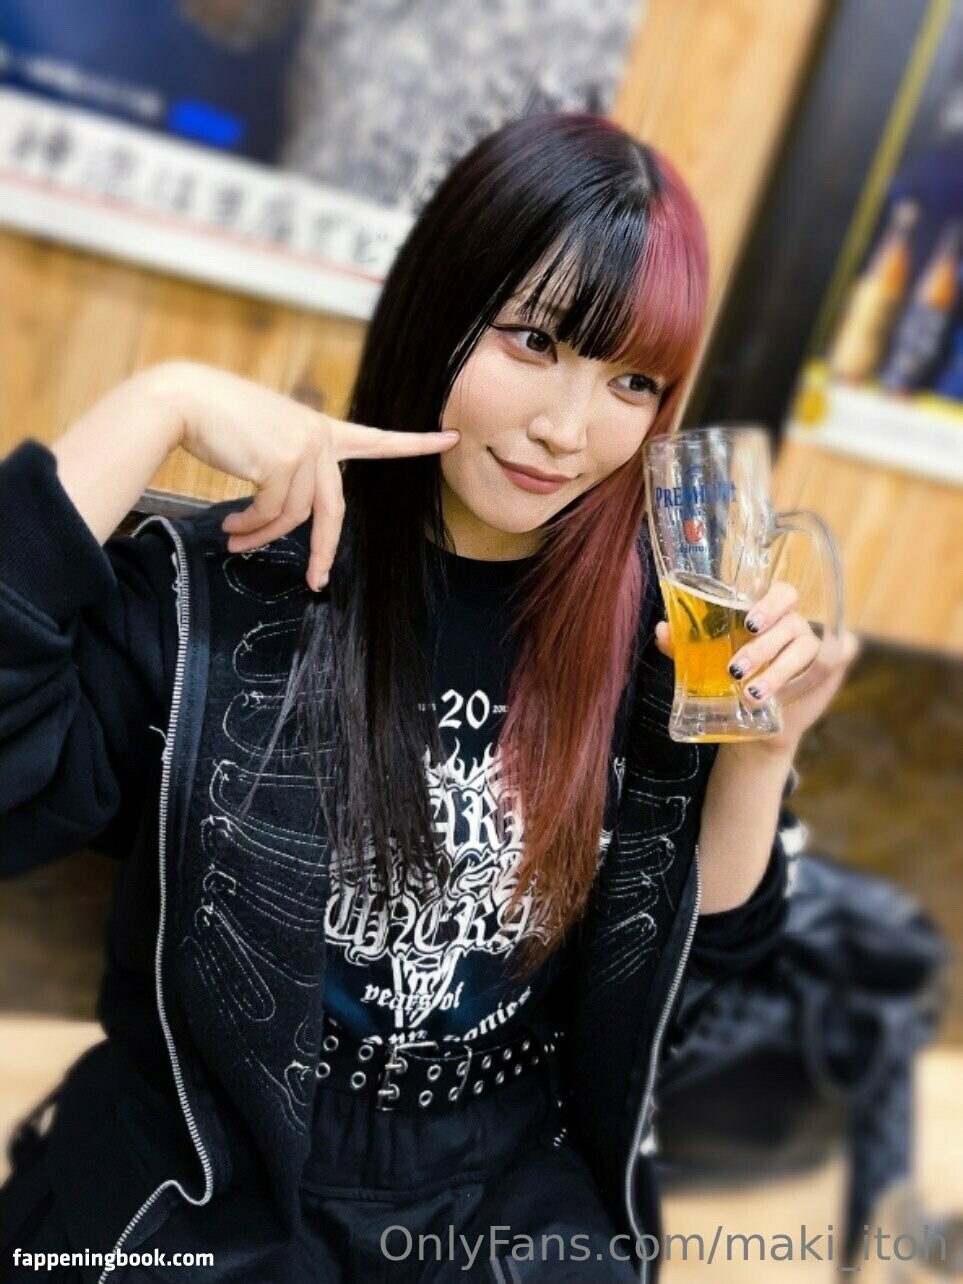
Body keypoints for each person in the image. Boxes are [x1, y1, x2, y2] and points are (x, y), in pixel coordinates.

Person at [0, 112, 860, 1283]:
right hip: (214, 1174)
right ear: (438, 305)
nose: (567, 430)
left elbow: (698, 980)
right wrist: (157, 403)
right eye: (534, 341)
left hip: (502, 1192)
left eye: (632, 380)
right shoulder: (226, 591)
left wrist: (762, 756)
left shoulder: (667, 629)